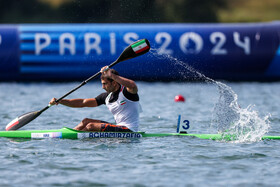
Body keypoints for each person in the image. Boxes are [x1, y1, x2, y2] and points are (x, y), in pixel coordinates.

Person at [49, 66, 141, 132]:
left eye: (105, 84)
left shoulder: (127, 93)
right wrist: (60, 101)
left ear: (114, 83)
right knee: (86, 121)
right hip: (119, 127)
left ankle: (76, 140)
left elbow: (133, 85)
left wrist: (112, 75)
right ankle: (72, 134)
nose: (102, 87)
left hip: (129, 130)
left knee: (91, 126)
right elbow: (82, 102)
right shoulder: (106, 97)